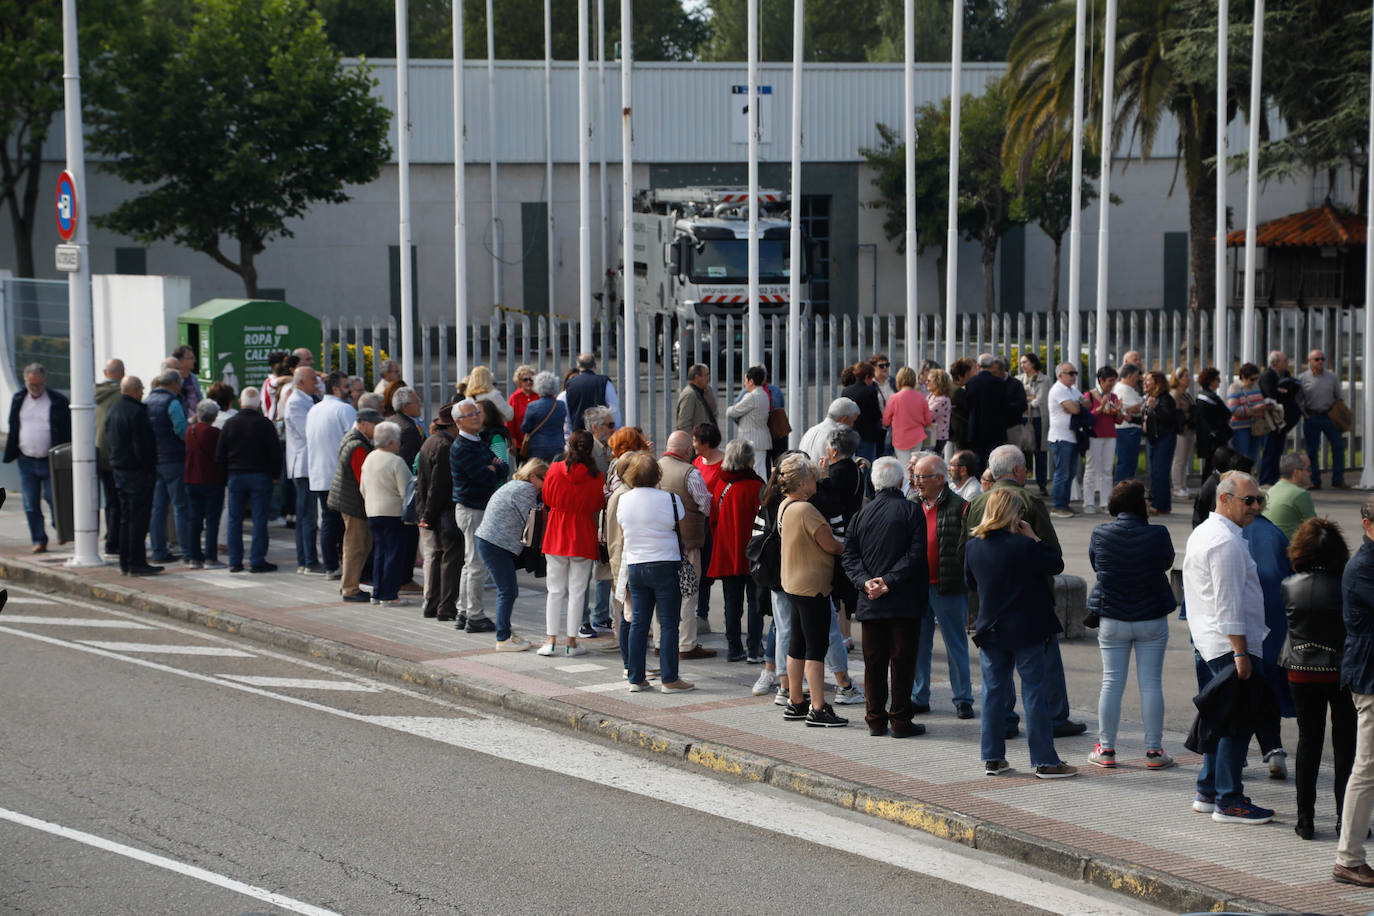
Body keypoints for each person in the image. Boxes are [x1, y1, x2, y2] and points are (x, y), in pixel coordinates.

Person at [963, 445, 1085, 738]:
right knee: (1044, 664)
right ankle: (1054, 719)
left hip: (987, 603)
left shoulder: (977, 503)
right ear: (1018, 470)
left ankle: (1004, 722)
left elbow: (964, 553)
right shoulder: (1028, 500)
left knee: (996, 672)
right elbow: (1051, 554)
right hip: (1030, 602)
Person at [1182, 471, 1274, 824]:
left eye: (1258, 500)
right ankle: (1229, 799)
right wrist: (1240, 653)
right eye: (1247, 501)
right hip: (1230, 645)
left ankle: (1208, 791)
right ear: (1224, 499)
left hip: (1213, 642)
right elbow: (1229, 603)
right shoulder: (1225, 542)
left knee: (1219, 720)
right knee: (1235, 725)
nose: (1254, 507)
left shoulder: (1211, 533)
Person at [965, 488, 1076, 779]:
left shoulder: (973, 547)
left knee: (993, 694)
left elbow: (971, 582)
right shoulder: (1024, 546)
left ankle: (993, 758)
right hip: (1027, 629)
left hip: (990, 629)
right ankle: (1044, 761)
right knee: (1034, 694)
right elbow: (1056, 564)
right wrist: (1034, 536)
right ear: (1014, 514)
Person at [1087, 480, 1177, 770]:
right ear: (1141, 504)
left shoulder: (1100, 533)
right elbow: (1166, 561)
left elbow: (1097, 564)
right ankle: (1153, 751)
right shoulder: (1158, 533)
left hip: (1113, 617)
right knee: (1151, 683)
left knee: (1111, 682)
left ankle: (1106, 749)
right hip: (1151, 616)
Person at [842, 456, 928, 737]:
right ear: (902, 482)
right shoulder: (911, 511)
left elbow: (849, 556)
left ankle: (875, 719)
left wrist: (867, 582)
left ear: (874, 483)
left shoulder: (860, 514)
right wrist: (888, 582)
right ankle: (900, 720)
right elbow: (915, 555)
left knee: (873, 662)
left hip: (871, 600)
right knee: (902, 662)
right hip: (903, 601)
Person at [1280, 517, 1354, 841]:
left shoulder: (1289, 585)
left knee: (1308, 742)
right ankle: (1345, 820)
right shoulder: (1345, 586)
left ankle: (1305, 819)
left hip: (1300, 669)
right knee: (1345, 747)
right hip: (1339, 671)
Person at [777, 454, 849, 727]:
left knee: (797, 643)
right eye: (813, 477)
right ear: (803, 482)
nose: (816, 481)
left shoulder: (785, 505)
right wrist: (851, 548)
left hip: (792, 583)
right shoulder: (806, 510)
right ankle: (818, 708)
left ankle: (796, 701)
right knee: (815, 647)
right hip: (812, 586)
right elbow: (830, 544)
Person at [616, 451, 695, 693]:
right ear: (657, 474)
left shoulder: (623, 500)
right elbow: (682, 531)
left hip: (636, 565)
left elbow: (622, 532)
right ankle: (670, 679)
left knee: (639, 622)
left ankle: (636, 678)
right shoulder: (670, 500)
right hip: (666, 563)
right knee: (669, 623)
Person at [907, 452, 974, 720]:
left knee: (955, 644)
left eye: (922, 477)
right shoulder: (912, 503)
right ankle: (919, 696)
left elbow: (968, 547)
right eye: (915, 476)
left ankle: (963, 699)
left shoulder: (960, 506)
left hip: (949, 586)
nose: (917, 481)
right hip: (918, 587)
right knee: (919, 645)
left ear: (939, 478)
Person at [1335, 495, 1374, 885]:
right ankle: (1348, 857)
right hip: (1370, 678)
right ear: (1368, 526)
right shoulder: (1363, 567)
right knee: (1366, 768)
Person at [539, 428, 605, 658]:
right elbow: (598, 504)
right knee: (578, 592)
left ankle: (550, 640)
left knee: (554, 590)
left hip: (556, 531)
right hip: (583, 534)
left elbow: (546, 498)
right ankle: (571, 642)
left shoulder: (554, 470)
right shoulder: (597, 476)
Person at [475, 459, 548, 651]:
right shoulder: (526, 490)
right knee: (507, 590)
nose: (545, 485)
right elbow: (532, 521)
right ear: (533, 476)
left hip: (491, 542)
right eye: (544, 480)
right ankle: (503, 638)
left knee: (508, 589)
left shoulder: (514, 485)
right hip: (495, 544)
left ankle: (505, 632)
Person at [450, 397, 508, 632]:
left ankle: (464, 610)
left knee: (471, 563)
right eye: (470, 414)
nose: (476, 416)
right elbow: (485, 477)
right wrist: (493, 468)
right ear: (459, 422)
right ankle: (474, 616)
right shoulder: (463, 446)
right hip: (472, 509)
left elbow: (502, 466)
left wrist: (495, 467)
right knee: (476, 565)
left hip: (475, 508)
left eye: (476, 412)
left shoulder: (476, 441)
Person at [658, 430, 716, 660]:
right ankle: (686, 644)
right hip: (687, 544)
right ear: (687, 451)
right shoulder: (691, 473)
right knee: (688, 593)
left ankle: (659, 642)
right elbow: (706, 506)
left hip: (661, 542)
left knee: (662, 595)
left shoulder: (655, 467)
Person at [707, 440, 766, 662]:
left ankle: (734, 648)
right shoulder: (756, 486)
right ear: (749, 459)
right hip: (753, 554)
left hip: (727, 552)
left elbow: (713, 519)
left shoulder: (721, 484)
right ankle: (753, 649)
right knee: (755, 602)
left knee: (731, 602)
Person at [4, 363, 71, 552]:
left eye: (39, 384)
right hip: (26, 458)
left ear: (45, 382)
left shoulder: (56, 400)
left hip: (50, 458)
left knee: (53, 497)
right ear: (25, 381)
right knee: (30, 503)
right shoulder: (19, 399)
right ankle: (39, 540)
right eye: (32, 385)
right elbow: (14, 426)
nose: (36, 388)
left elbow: (66, 429)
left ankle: (62, 529)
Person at [217, 386, 282, 573]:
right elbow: (275, 453)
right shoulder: (265, 424)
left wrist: (224, 476)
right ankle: (257, 560)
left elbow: (220, 454)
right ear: (260, 404)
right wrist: (275, 475)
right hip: (261, 477)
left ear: (240, 402)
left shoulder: (230, 424)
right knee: (259, 520)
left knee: (234, 519)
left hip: (236, 476)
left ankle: (235, 561)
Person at [104, 376, 160, 575]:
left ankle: (126, 561)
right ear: (135, 390)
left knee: (125, 518)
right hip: (137, 473)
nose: (143, 392)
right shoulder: (136, 412)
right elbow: (142, 447)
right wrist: (149, 468)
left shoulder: (114, 410)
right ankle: (137, 562)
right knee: (138, 519)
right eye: (141, 389)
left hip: (119, 470)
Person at [328, 407, 382, 602]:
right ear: (364, 424)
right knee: (355, 546)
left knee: (359, 544)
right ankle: (350, 588)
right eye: (375, 425)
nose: (377, 429)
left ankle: (348, 584)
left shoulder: (353, 439)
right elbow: (363, 479)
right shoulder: (358, 445)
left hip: (347, 500)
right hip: (353, 503)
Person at [306, 371, 356, 578]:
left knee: (328, 521)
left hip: (319, 473)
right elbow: (356, 441)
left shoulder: (314, 410)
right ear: (335, 389)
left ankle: (330, 565)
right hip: (339, 475)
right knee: (346, 523)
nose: (349, 391)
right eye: (346, 386)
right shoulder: (344, 409)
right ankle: (346, 564)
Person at [358, 421, 413, 605]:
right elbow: (407, 491)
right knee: (394, 554)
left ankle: (377, 592)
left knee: (379, 552)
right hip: (393, 512)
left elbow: (362, 488)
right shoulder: (396, 461)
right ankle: (389, 595)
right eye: (397, 441)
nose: (399, 445)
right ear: (390, 443)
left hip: (372, 510)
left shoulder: (370, 458)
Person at [416, 405, 461, 621]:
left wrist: (424, 513)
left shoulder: (431, 441)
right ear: (454, 424)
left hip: (433, 511)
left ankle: (432, 604)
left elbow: (423, 483)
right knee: (450, 559)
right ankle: (446, 606)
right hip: (444, 512)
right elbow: (438, 485)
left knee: (437, 557)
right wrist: (429, 514)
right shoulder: (445, 446)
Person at [145, 369, 191, 565]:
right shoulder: (172, 402)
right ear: (174, 384)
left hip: (154, 460)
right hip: (173, 460)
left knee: (158, 508)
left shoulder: (146, 402)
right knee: (181, 506)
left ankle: (158, 550)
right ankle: (188, 551)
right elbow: (181, 430)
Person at [284, 366, 323, 574]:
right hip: (304, 465)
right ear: (300, 382)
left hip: (309, 464)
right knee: (307, 515)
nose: (316, 383)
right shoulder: (296, 402)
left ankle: (306, 558)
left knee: (305, 515)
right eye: (312, 379)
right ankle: (308, 560)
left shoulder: (309, 399)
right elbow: (307, 431)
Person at [183, 399, 226, 569]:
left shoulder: (190, 430)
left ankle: (194, 557)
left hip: (191, 479)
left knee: (194, 520)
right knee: (212, 520)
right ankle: (210, 557)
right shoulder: (215, 432)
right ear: (214, 416)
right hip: (212, 480)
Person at [692, 421, 725, 632]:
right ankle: (699, 613)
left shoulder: (723, 464)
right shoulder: (697, 461)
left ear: (707, 442)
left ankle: (705, 614)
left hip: (716, 524)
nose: (693, 443)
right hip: (699, 523)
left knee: (709, 570)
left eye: (696, 440)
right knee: (699, 568)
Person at [1299, 349, 1348, 490]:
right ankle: (1314, 481)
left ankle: (1338, 479)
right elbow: (1298, 399)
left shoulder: (1332, 377)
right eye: (1317, 359)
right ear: (1310, 362)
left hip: (1329, 417)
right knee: (1312, 451)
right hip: (1311, 417)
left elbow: (1338, 396)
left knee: (1338, 447)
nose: (1320, 362)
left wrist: (1338, 413)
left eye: (1322, 359)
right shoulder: (1303, 378)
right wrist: (1304, 414)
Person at [94, 359, 126, 556]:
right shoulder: (121, 396)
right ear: (123, 373)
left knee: (110, 501)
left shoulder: (95, 394)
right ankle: (114, 541)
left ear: (106, 373)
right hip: (116, 455)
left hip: (98, 453)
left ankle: (110, 538)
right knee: (119, 502)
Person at [1259, 351, 1303, 486]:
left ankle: (1274, 478)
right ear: (1275, 363)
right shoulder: (1268, 375)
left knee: (1278, 450)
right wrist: (1283, 392)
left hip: (1283, 421)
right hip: (1271, 420)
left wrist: (1284, 391)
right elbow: (1272, 394)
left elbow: (1293, 389)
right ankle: (1266, 479)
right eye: (1284, 360)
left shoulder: (1285, 375)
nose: (1287, 363)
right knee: (1270, 449)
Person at [1045, 362, 1083, 519]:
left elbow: (1085, 403)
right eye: (1070, 373)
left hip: (1072, 437)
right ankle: (1058, 506)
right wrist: (1075, 406)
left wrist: (1076, 405)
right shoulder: (1058, 389)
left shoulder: (1072, 390)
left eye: (1075, 373)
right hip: (1061, 438)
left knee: (1071, 472)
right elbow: (1076, 409)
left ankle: (1064, 503)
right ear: (1060, 375)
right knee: (1062, 472)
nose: (1074, 376)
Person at [1083, 366, 1122, 514]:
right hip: (1094, 436)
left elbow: (1118, 421)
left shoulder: (1114, 397)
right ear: (1101, 380)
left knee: (1107, 470)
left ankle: (1106, 502)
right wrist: (1100, 408)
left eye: (1114, 381)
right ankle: (1088, 502)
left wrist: (1117, 412)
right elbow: (1087, 417)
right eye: (1110, 381)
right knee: (1091, 469)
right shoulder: (1090, 396)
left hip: (1110, 436)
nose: (1112, 384)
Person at [963, 353, 1011, 468]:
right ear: (992, 365)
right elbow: (1004, 406)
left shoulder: (971, 382)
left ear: (978, 365)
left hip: (976, 427)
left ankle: (980, 483)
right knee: (994, 460)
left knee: (979, 460)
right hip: (995, 428)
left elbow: (967, 405)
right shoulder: (1000, 383)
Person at [1142, 370, 1179, 514]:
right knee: (1156, 472)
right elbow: (1147, 418)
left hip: (1164, 438)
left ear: (1157, 383)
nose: (1145, 382)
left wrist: (1154, 407)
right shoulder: (1150, 397)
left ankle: (1158, 504)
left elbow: (1168, 418)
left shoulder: (1165, 399)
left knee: (1160, 472)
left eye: (1148, 380)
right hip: (1154, 438)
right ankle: (1163, 505)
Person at [726, 365, 773, 478]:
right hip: (761, 439)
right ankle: (761, 492)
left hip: (752, 440)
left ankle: (759, 494)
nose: (745, 383)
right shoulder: (764, 395)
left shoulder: (751, 397)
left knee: (755, 471)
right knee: (760, 470)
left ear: (751, 381)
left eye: (745, 380)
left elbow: (731, 412)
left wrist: (734, 407)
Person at [882, 366, 932, 468]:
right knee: (916, 466)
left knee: (904, 468)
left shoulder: (894, 398)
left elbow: (885, 421)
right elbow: (928, 420)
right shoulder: (921, 397)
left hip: (900, 438)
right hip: (917, 436)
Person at [563, 353, 621, 436]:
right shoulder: (604, 382)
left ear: (578, 366)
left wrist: (570, 434)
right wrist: (614, 429)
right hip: (601, 433)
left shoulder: (570, 384)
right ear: (595, 365)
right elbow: (614, 409)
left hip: (579, 434)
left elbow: (567, 413)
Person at [1227, 362, 1272, 468]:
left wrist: (1265, 407)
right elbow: (1233, 410)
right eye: (1251, 379)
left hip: (1256, 427)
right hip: (1240, 428)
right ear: (1243, 377)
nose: (1254, 382)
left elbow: (1259, 401)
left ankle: (1250, 479)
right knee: (1241, 457)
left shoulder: (1255, 386)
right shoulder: (1234, 388)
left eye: (1256, 379)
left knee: (1253, 458)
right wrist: (1253, 410)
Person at [1191, 367, 1231, 483]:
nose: (1219, 381)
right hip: (1214, 438)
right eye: (1217, 379)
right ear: (1210, 381)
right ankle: (1207, 491)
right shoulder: (1208, 397)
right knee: (1213, 466)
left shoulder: (1204, 396)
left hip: (1210, 437)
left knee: (1212, 466)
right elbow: (1225, 414)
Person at [1017, 353, 1051, 495]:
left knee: (1040, 452)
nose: (1022, 365)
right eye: (1021, 362)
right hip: (1023, 419)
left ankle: (1042, 484)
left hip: (1038, 419)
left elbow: (1041, 400)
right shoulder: (1018, 379)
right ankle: (1020, 483)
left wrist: (1028, 400)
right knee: (1022, 452)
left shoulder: (1045, 379)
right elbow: (1019, 400)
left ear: (1033, 363)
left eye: (1025, 362)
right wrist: (1030, 399)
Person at [1264, 453, 1317, 540]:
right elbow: (1315, 529)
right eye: (1309, 468)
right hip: (1289, 549)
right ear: (1296, 472)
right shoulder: (1300, 494)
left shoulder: (1270, 491)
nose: (1311, 473)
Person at [518, 371, 569, 462]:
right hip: (557, 445)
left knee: (539, 472)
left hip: (538, 446)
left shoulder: (532, 406)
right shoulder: (561, 405)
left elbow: (525, 428)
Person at [840, 361, 883, 462]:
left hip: (850, 433)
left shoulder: (846, 391)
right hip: (868, 436)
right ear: (867, 376)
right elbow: (876, 414)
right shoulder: (870, 391)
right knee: (866, 464)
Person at [798, 397, 859, 464]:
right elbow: (847, 467)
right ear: (844, 419)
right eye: (853, 421)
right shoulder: (839, 437)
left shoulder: (810, 431)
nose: (852, 425)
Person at [1113, 363, 1145, 483]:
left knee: (1130, 463)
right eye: (1137, 375)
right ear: (1130, 375)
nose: (1139, 378)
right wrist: (1146, 404)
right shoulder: (1123, 389)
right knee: (1126, 462)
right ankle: (1121, 489)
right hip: (1126, 430)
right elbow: (1135, 408)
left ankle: (1126, 489)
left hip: (1131, 430)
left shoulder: (1129, 389)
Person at [1170, 367, 1196, 498]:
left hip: (1189, 430)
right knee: (1179, 459)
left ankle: (1183, 485)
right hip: (1180, 431)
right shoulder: (1175, 394)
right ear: (1178, 379)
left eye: (1188, 376)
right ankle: (1177, 486)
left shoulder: (1187, 394)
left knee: (1185, 459)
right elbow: (1175, 414)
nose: (1188, 379)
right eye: (1184, 376)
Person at [675, 363, 717, 434]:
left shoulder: (703, 391)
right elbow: (684, 425)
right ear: (697, 377)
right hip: (697, 443)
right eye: (706, 375)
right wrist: (695, 442)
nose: (708, 378)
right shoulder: (689, 394)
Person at [947, 358, 975, 457]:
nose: (970, 377)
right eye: (968, 374)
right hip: (962, 433)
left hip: (955, 432)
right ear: (960, 376)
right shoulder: (959, 392)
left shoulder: (950, 388)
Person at [505, 365, 537, 450]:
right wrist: (511, 442)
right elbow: (510, 421)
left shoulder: (539, 395)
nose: (529, 382)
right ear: (519, 382)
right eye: (525, 379)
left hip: (539, 444)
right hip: (521, 444)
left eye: (531, 379)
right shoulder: (514, 397)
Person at [925, 368, 953, 454]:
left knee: (931, 459)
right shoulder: (932, 395)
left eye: (929, 380)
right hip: (930, 433)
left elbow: (928, 415)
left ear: (938, 383)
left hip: (937, 436)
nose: (927, 382)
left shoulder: (942, 400)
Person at [170, 344, 203, 414]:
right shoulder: (174, 380)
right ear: (181, 360)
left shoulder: (194, 378)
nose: (194, 361)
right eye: (191, 358)